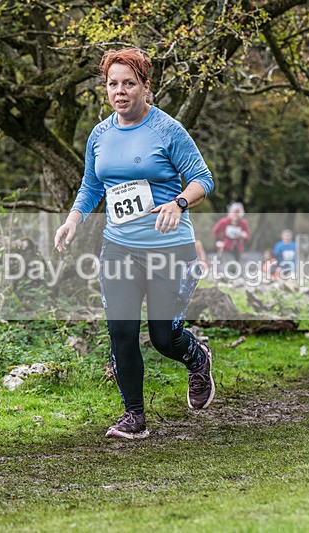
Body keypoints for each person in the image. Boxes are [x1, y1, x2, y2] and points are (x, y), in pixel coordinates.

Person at [53, 48, 215, 440]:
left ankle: (197, 358)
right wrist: (73, 219)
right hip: (119, 248)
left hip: (168, 247)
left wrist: (178, 202)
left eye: (129, 83)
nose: (120, 92)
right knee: (121, 331)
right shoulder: (100, 135)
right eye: (113, 84)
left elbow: (202, 180)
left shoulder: (168, 130)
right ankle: (134, 417)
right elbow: (92, 186)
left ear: (146, 88)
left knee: (164, 337)